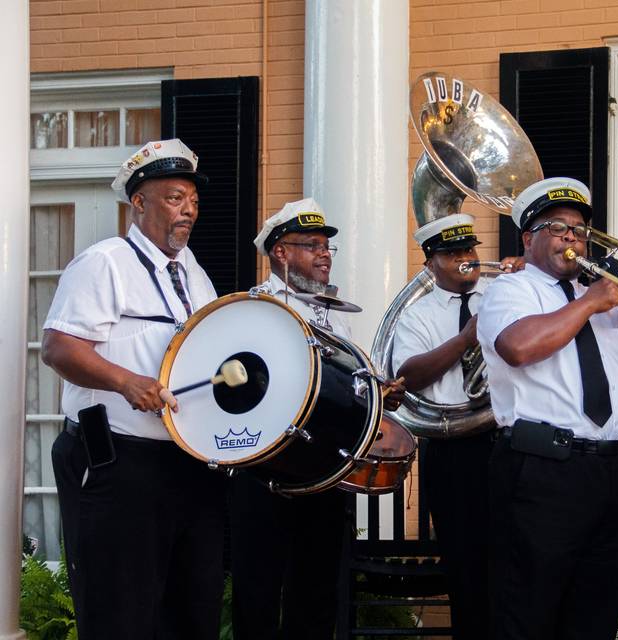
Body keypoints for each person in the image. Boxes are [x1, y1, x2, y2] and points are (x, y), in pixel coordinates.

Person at [43, 139, 225, 639]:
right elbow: (59, 348)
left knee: (192, 613)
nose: (187, 210)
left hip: (189, 465)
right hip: (118, 466)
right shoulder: (104, 263)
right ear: (138, 202)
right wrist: (126, 383)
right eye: (173, 198)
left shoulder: (196, 274)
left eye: (192, 200)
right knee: (120, 615)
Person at [477, 177, 618, 640]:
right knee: (529, 612)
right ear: (528, 238)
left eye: (579, 229)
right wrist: (590, 302)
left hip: (608, 474)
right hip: (543, 472)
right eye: (557, 227)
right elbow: (519, 347)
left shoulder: (602, 298)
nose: (571, 237)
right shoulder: (512, 290)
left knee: (595, 614)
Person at [231, 197, 404, 640]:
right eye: (312, 245)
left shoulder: (333, 315)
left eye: (327, 246)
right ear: (280, 253)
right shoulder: (256, 309)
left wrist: (376, 398)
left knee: (318, 593)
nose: (324, 254)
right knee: (260, 593)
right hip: (266, 471)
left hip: (324, 472)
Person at [391, 213, 521, 640]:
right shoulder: (418, 315)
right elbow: (408, 373)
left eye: (469, 250)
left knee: (514, 563)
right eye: (452, 253)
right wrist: (465, 340)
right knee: (465, 571)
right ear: (430, 262)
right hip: (452, 452)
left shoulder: (503, 293)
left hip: (505, 440)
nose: (466, 259)